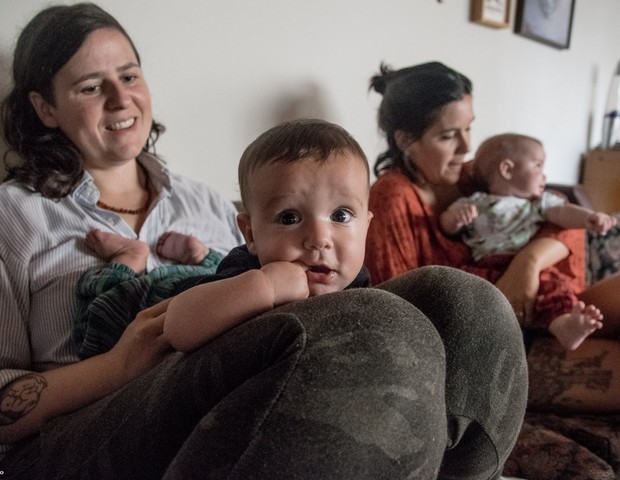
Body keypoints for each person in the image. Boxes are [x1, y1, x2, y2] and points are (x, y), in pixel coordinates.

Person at [0, 5, 527, 478]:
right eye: (91, 86)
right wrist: (117, 365)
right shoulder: (14, 214)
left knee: (463, 304)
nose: (121, 98)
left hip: (235, 410)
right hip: (80, 435)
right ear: (45, 108)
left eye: (130, 75)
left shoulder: (207, 201)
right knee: (373, 322)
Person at [365, 61, 620, 415]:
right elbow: (400, 310)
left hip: (550, 303)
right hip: (488, 346)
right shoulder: (391, 198)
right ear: (405, 140)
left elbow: (561, 216)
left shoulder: (472, 177)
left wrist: (527, 264)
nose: (466, 147)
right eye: (448, 136)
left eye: (469, 128)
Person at [440, 132, 617, 351]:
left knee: (553, 288)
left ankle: (564, 326)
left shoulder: (538, 204)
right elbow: (446, 225)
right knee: (465, 288)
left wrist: (588, 217)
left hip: (524, 266)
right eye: (538, 166)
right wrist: (455, 219)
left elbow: (562, 212)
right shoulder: (475, 202)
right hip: (485, 265)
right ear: (507, 169)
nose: (544, 175)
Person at [73, 229, 224, 359]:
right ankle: (129, 257)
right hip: (170, 303)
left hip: (207, 282)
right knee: (101, 321)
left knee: (224, 272)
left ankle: (205, 258)